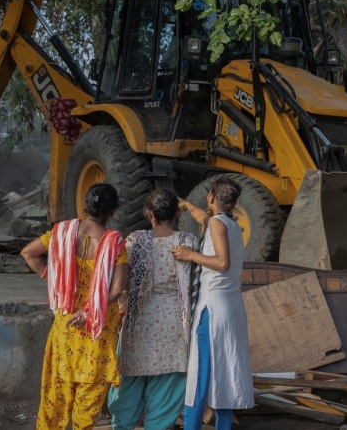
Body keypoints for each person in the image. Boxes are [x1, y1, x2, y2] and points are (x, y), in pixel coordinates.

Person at [20, 183, 128, 430]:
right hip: (96, 328)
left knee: (57, 390)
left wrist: (54, 277)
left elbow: (28, 253)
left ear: (85, 206)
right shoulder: (114, 243)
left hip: (66, 325)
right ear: (112, 212)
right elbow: (116, 290)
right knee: (88, 396)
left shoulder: (61, 233)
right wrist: (88, 311)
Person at [107, 189, 198, 430]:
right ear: (177, 214)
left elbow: (121, 282)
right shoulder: (188, 242)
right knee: (168, 384)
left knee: (129, 381)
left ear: (149, 214)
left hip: (139, 323)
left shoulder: (135, 241)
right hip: (173, 324)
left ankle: (122, 425)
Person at [171, 176, 255, 430]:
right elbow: (204, 220)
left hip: (213, 310)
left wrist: (190, 255)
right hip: (230, 307)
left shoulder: (218, 224)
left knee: (200, 375)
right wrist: (186, 204)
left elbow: (222, 262)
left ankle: (192, 426)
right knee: (224, 375)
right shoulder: (229, 223)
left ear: (211, 197)